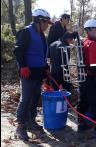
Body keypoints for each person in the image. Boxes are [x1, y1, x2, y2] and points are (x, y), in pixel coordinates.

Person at [13, 8, 53, 141]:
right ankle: (20, 126)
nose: (47, 26)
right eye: (46, 22)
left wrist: (46, 67)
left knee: (35, 97)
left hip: (38, 72)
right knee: (26, 98)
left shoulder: (41, 35)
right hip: (28, 72)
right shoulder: (25, 32)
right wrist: (23, 66)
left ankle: (31, 121)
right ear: (39, 20)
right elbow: (18, 51)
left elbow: (41, 54)